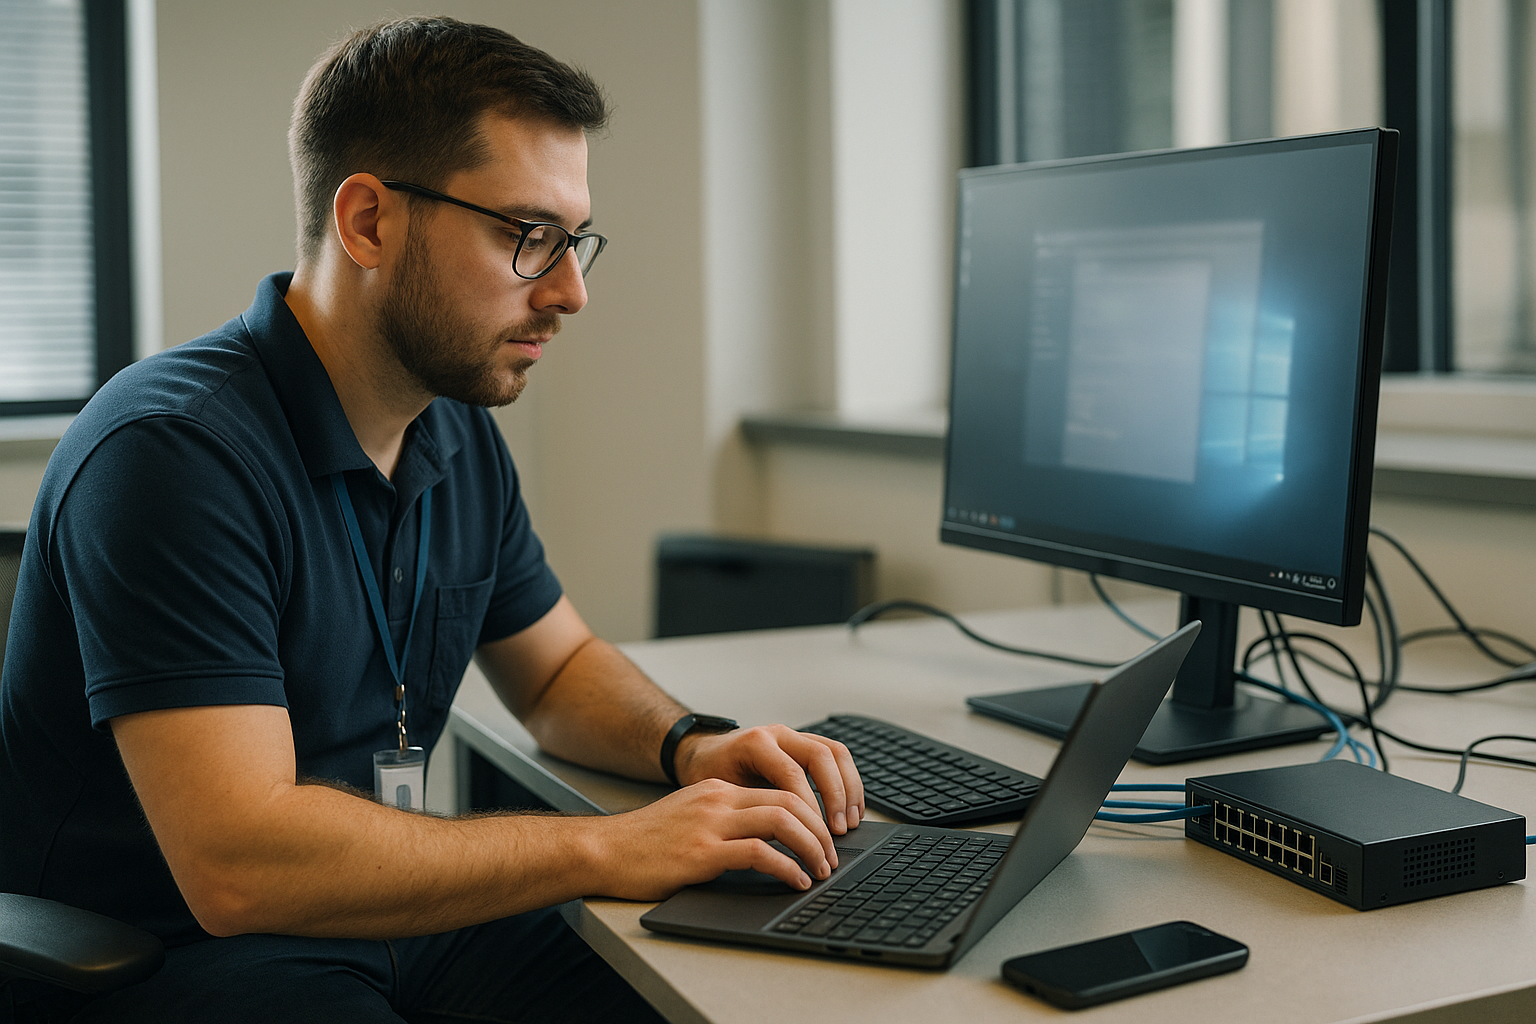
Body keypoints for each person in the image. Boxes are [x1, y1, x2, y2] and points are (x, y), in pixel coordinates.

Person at [0, 17, 863, 1023]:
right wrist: (610, 843)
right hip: (171, 957)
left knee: (718, 989)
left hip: (385, 915)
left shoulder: (452, 429)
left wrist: (689, 746)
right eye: (526, 236)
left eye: (573, 240)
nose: (571, 292)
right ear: (368, 222)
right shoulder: (170, 453)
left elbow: (556, 670)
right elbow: (239, 866)